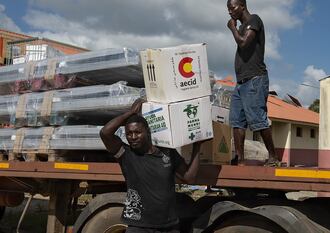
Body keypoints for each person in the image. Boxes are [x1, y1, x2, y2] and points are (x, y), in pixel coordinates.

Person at [100, 99, 203, 233]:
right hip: (138, 226)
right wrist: (131, 113)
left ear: (147, 131)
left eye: (137, 132)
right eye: (129, 134)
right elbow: (105, 133)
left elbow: (189, 178)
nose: (133, 137)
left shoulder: (167, 153)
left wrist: (197, 146)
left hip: (168, 226)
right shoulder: (126, 154)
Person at [227, 0, 279, 166]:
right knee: (236, 121)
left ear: (242, 6)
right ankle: (240, 160)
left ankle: (273, 157)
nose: (230, 12)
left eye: (232, 7)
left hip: (255, 79)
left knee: (257, 119)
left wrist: (232, 28)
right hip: (241, 82)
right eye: (228, 9)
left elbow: (243, 42)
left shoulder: (254, 20)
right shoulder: (242, 26)